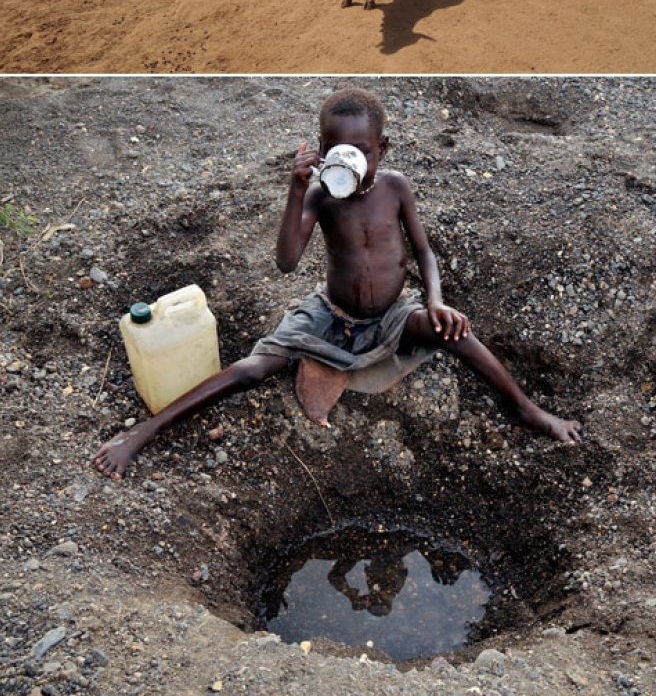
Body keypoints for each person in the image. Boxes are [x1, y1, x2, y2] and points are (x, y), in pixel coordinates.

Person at [94, 88, 581, 480]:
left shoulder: (395, 187)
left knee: (455, 331)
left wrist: (435, 301)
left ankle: (526, 409)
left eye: (362, 151)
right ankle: (145, 431)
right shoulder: (322, 196)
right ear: (323, 152)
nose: (351, 162)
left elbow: (425, 252)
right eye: (336, 152)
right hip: (331, 315)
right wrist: (297, 189)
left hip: (393, 314)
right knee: (252, 368)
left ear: (381, 149)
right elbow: (287, 262)